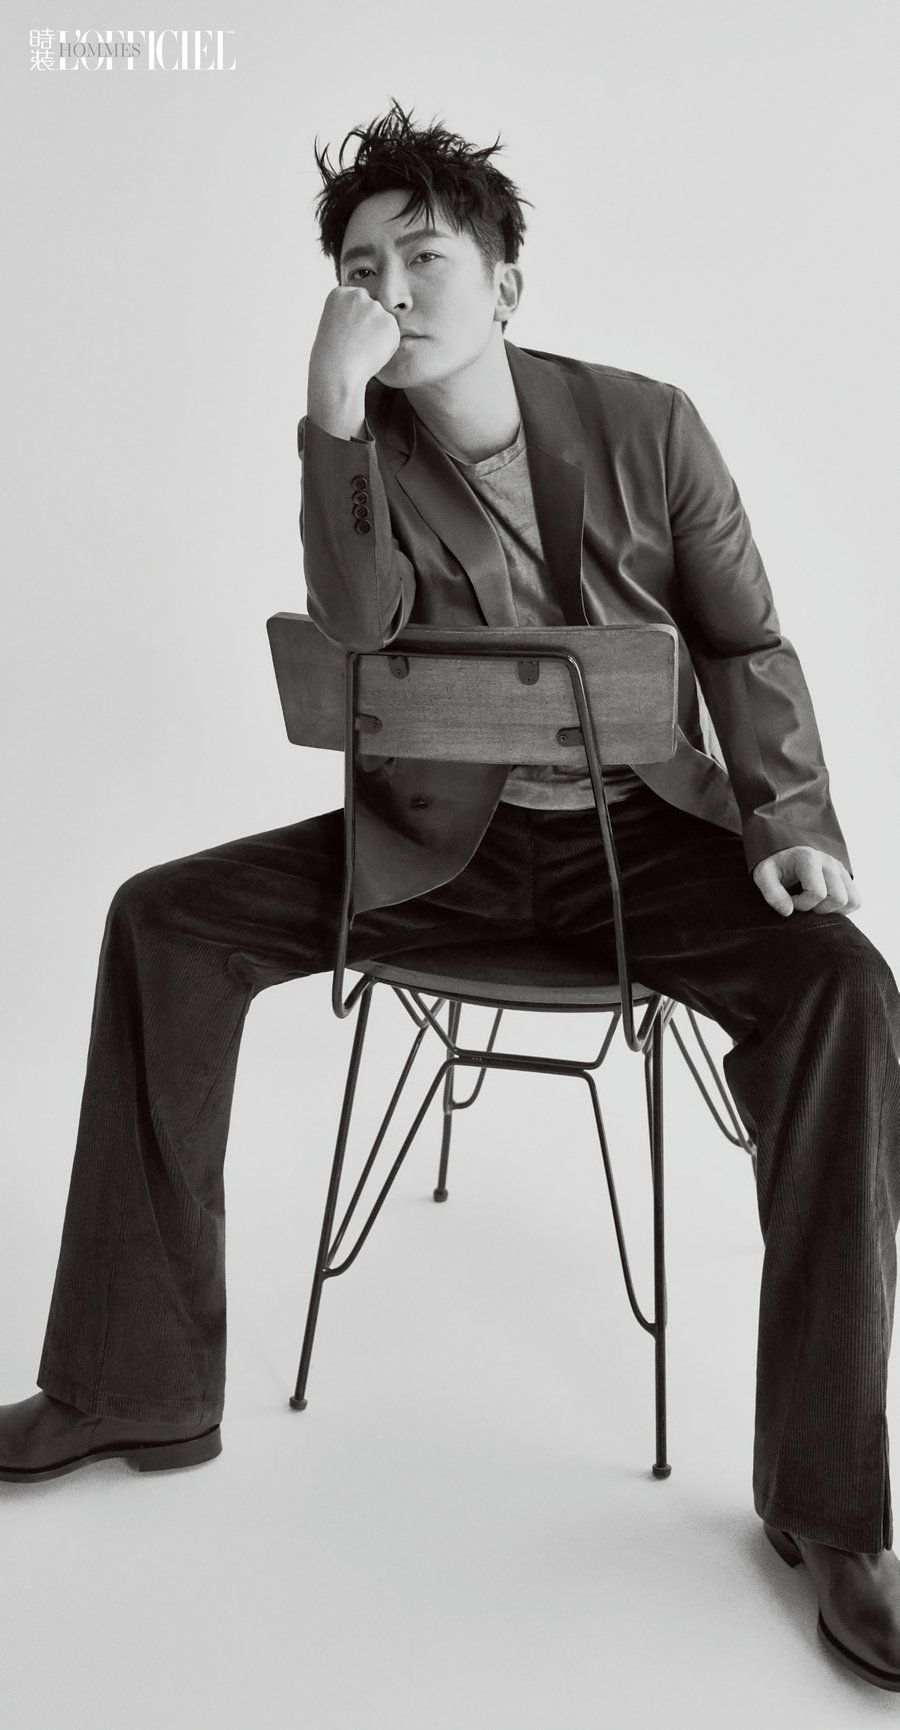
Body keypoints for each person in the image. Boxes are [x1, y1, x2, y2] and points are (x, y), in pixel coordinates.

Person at [2, 103, 899, 1691]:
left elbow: (745, 640)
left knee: (844, 985)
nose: (394, 287)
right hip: (438, 857)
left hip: (647, 849)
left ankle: (831, 1510)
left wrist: (789, 819)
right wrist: (329, 417)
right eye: (363, 269)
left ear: (506, 283)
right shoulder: (366, 449)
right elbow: (354, 630)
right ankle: (132, 1382)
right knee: (163, 920)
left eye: (425, 256)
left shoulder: (649, 426)